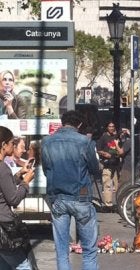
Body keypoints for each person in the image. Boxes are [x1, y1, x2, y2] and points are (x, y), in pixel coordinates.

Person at [41, 110, 99, 270]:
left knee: (61, 250)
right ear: (79, 124)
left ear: (62, 122)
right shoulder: (84, 142)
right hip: (81, 197)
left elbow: (46, 168)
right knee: (89, 250)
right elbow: (95, 169)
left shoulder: (47, 142)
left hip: (58, 197)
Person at [0, 126, 37, 269]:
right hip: (4, 225)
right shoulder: (3, 168)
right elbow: (13, 199)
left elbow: (3, 187)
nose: (13, 146)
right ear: (3, 145)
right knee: (22, 265)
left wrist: (19, 175)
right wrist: (25, 182)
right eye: (11, 143)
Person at [96, 121, 123, 206]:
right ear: (107, 127)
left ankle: (119, 204)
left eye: (113, 126)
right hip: (107, 164)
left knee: (118, 186)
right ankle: (108, 204)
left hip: (116, 164)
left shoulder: (116, 137)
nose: (111, 128)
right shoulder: (103, 137)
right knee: (107, 185)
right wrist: (105, 154)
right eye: (110, 126)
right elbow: (98, 149)